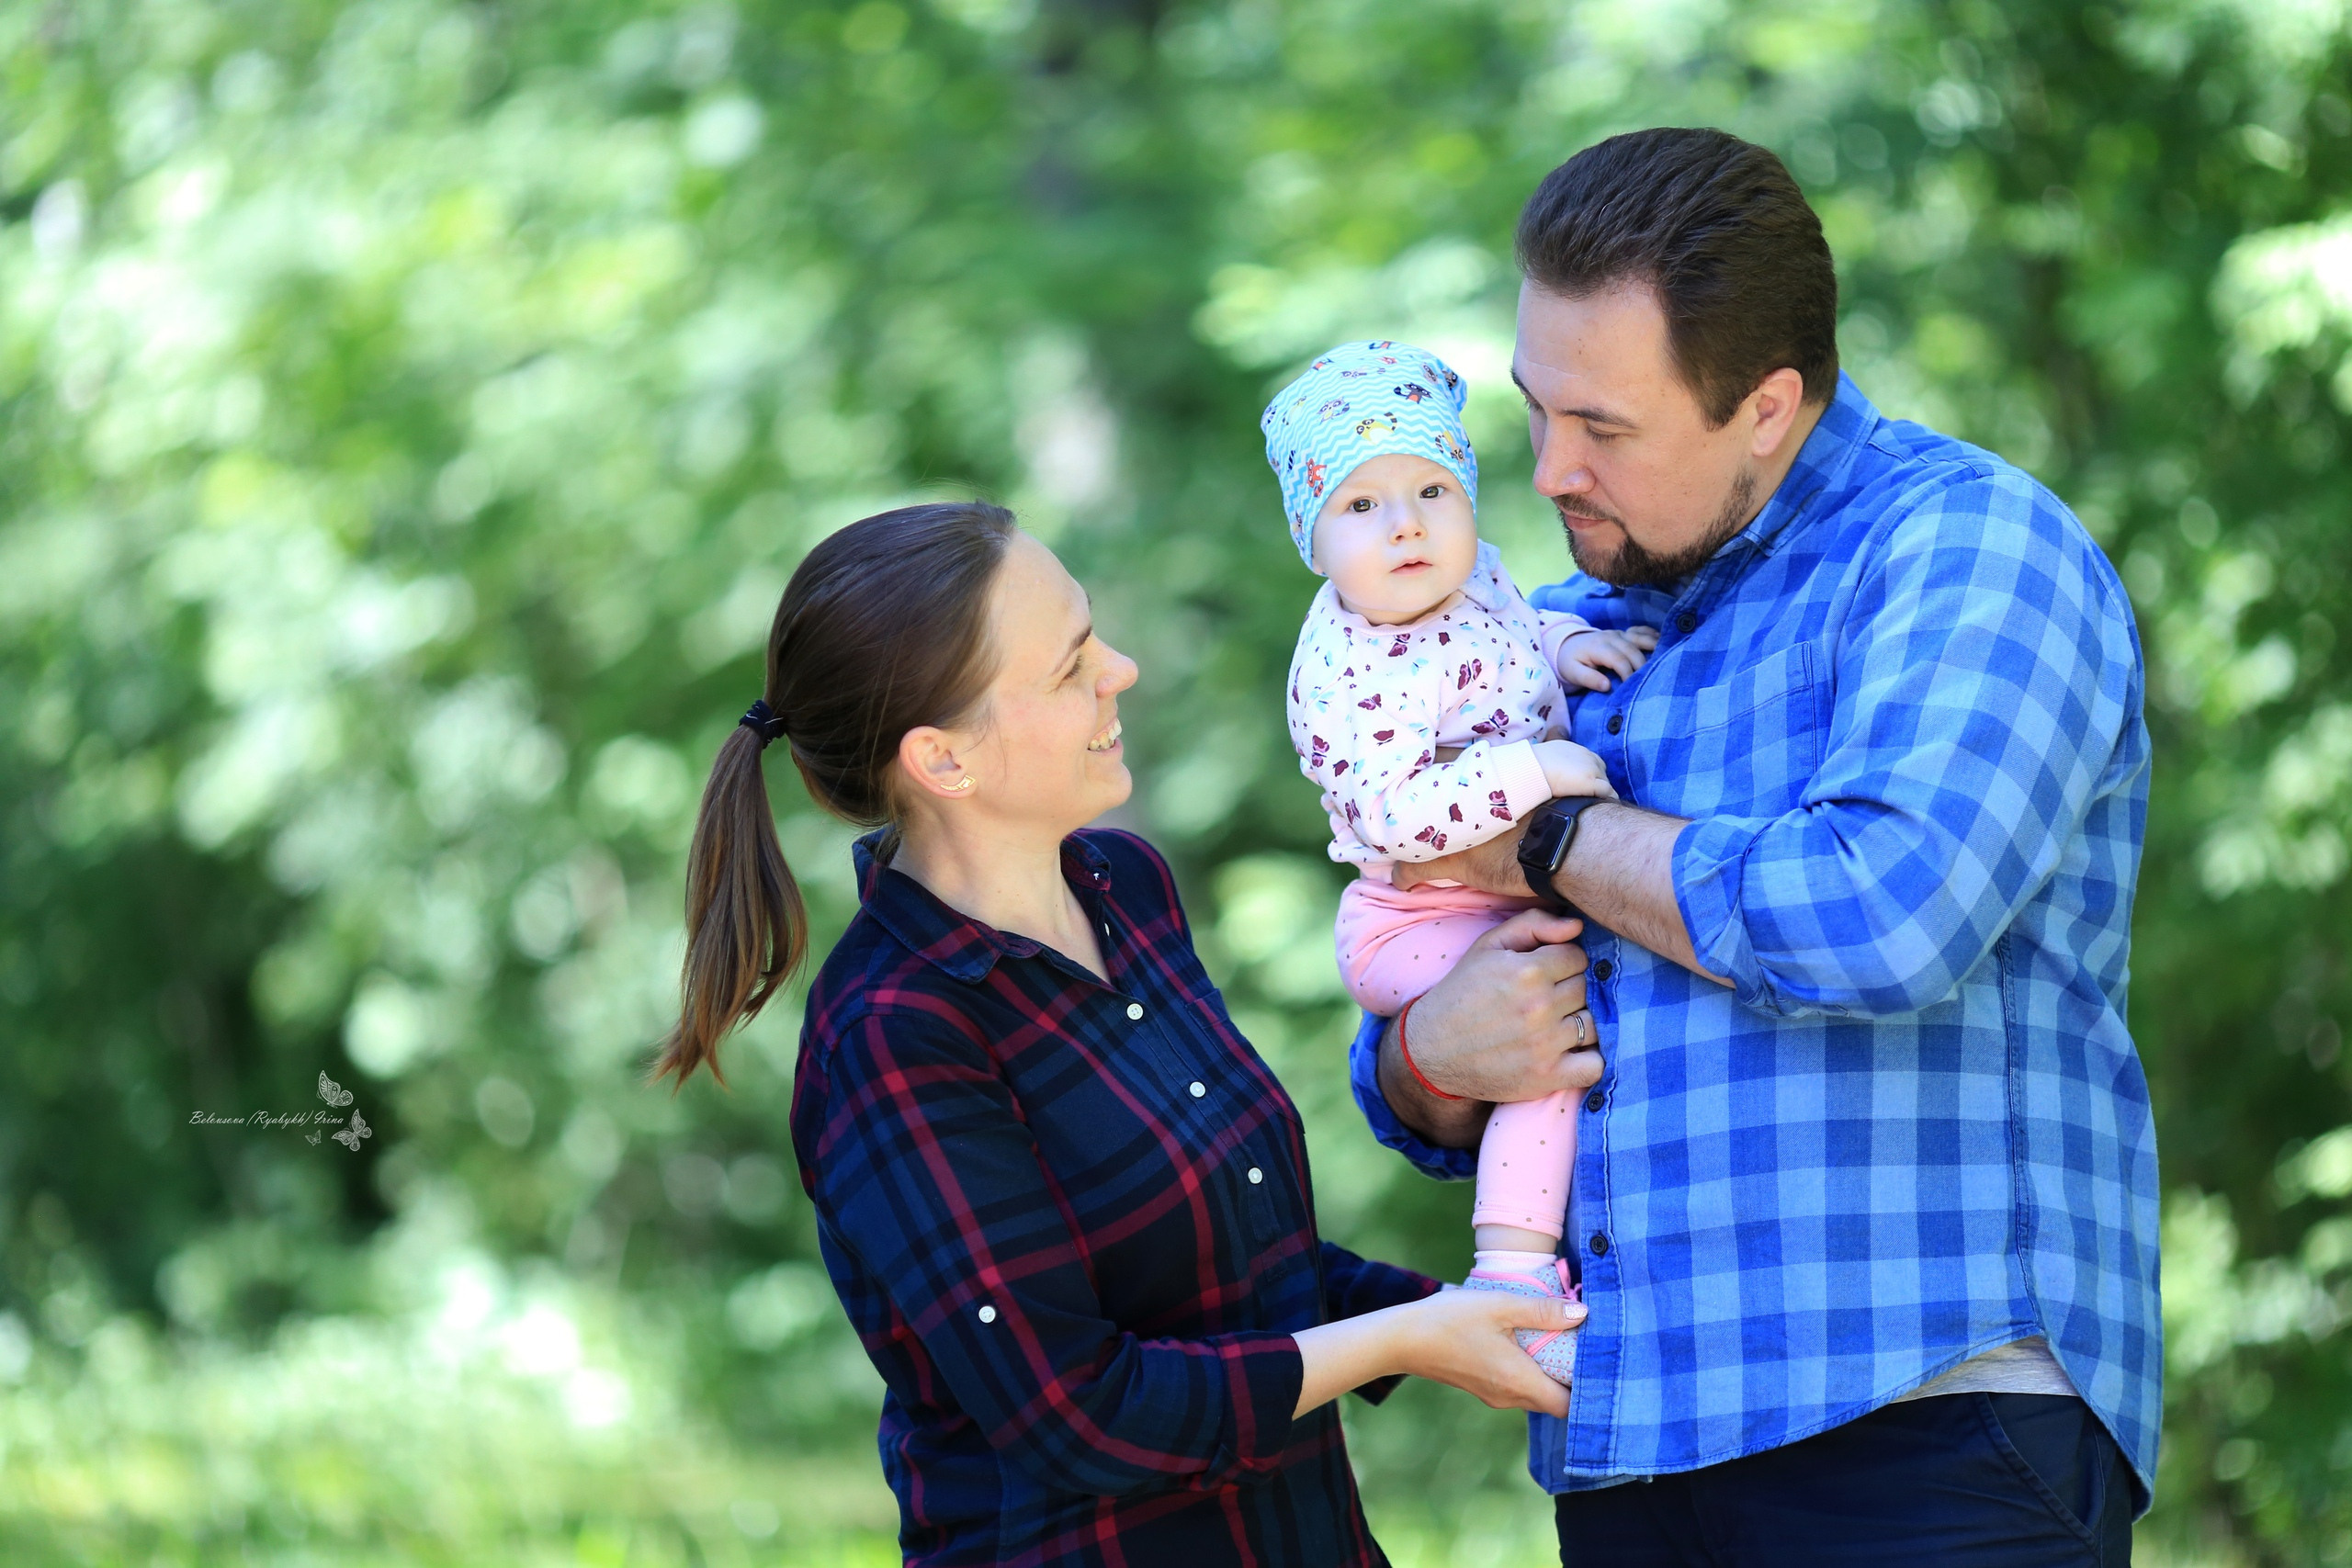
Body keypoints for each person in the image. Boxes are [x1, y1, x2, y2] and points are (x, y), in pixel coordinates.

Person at [1348, 129, 2158, 1563]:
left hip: (1925, 1429)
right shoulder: (1550, 623)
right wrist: (1429, 1057)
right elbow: (1417, 1008)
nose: (1550, 468)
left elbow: (1883, 914)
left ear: (1768, 405)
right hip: (1631, 1437)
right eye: (1536, 410)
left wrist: (1552, 836)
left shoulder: (1966, 549)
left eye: (1604, 427)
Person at [653, 502, 1584, 1568]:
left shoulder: (1124, 888)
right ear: (943, 761)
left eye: (1093, 633)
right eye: (1070, 666)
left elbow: (1239, 1260)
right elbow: (1077, 1413)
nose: (1121, 670)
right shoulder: (893, 1032)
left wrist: (1479, 1311)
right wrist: (1411, 1339)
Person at [1262, 338, 1655, 1382]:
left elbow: (1512, 638)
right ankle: (1512, 1278)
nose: (1406, 524)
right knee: (1543, 1043)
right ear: (1313, 541)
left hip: (1472, 901)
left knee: (1559, 1011)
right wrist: (1534, 769)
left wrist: (1564, 644)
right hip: (1409, 920)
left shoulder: (1468, 577)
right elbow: (1395, 816)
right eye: (1361, 505)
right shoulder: (1347, 666)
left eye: (1432, 490)